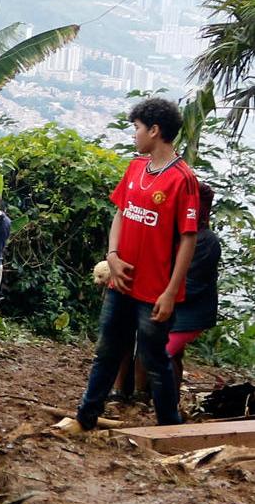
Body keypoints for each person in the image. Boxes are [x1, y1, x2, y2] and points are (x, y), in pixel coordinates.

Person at [70, 98, 200, 431]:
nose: (135, 134)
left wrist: (171, 292)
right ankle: (86, 416)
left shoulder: (182, 179)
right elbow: (120, 212)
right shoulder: (135, 168)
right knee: (107, 351)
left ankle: (168, 428)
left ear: (154, 130)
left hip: (155, 289)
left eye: (137, 128)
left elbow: (188, 238)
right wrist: (112, 256)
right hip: (121, 282)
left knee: (156, 360)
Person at [166, 182, 218, 395]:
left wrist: (163, 295)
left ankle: (167, 406)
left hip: (192, 312)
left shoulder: (207, 241)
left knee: (162, 353)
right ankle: (169, 400)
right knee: (172, 354)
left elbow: (194, 284)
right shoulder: (178, 232)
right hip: (174, 304)